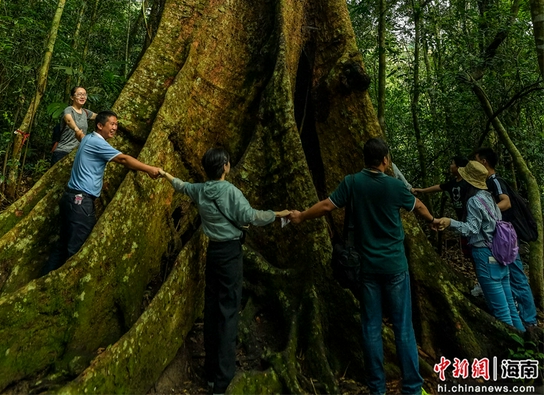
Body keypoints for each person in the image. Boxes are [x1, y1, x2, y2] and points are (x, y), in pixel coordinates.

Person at [289, 137, 434, 395]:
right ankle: (412, 388)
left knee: (371, 327)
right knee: (403, 328)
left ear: (365, 160)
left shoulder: (352, 183)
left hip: (367, 268)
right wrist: (432, 220)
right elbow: (419, 206)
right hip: (395, 268)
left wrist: (301, 215)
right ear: (385, 161)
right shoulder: (394, 186)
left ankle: (376, 388)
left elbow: (326, 206)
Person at [158, 149, 289, 395]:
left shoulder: (199, 190)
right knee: (228, 312)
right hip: (230, 255)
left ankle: (210, 373)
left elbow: (181, 185)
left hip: (213, 255)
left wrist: (164, 173)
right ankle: (223, 380)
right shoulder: (230, 192)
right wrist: (279, 214)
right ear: (226, 166)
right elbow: (251, 216)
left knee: (212, 310)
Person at [44, 111, 159, 273]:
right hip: (80, 202)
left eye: (116, 124)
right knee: (77, 250)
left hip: (70, 199)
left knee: (62, 245)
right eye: (111, 124)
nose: (115, 128)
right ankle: (62, 287)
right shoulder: (97, 142)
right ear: (100, 125)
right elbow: (123, 159)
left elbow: (80, 137)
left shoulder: (87, 139)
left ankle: (46, 280)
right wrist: (149, 169)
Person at [433, 160, 524, 331]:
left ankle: (515, 350)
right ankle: (528, 347)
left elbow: (471, 229)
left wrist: (450, 222)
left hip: (484, 254)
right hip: (499, 254)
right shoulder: (488, 197)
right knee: (511, 308)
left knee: (501, 312)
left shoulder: (474, 201)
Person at [473, 148, 537, 328]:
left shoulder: (494, 180)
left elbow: (505, 202)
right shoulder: (486, 183)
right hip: (500, 237)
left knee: (517, 276)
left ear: (484, 162)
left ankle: (530, 320)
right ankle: (521, 317)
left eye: (476, 159)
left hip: (506, 238)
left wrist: (486, 212)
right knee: (509, 276)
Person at [51, 86, 97, 165]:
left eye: (84, 94)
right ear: (72, 97)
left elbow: (99, 117)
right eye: (79, 94)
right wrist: (77, 130)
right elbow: (69, 120)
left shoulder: (86, 112)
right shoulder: (68, 110)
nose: (82, 97)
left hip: (78, 153)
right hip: (63, 152)